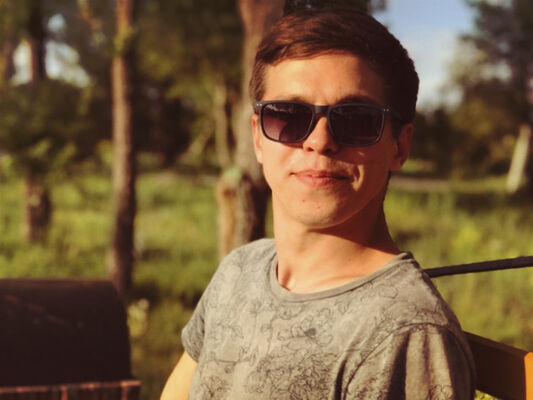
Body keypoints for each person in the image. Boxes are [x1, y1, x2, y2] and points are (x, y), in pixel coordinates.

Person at [161, 6, 475, 400]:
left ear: (399, 146)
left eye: (356, 119)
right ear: (258, 137)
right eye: (288, 116)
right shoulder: (239, 270)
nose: (319, 141)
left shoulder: (405, 333)